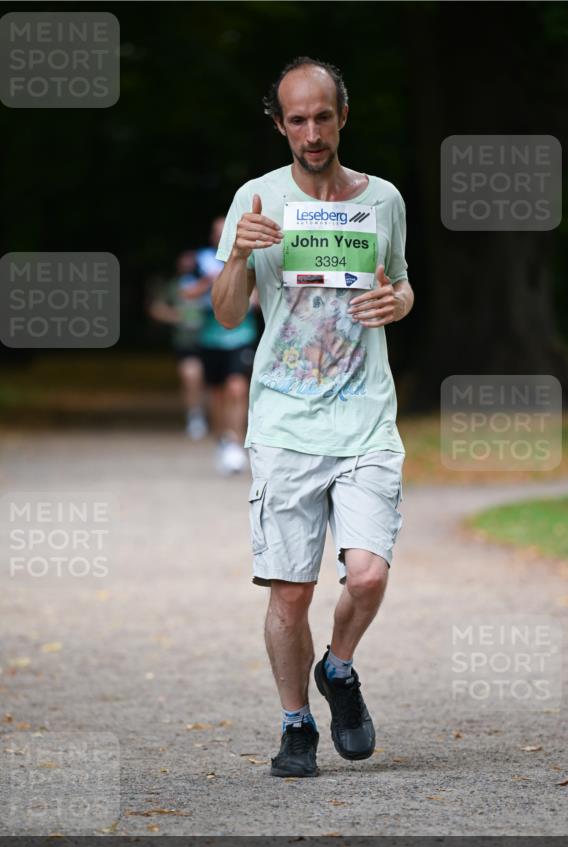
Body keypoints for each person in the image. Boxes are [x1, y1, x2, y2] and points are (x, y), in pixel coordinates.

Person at [212, 57, 414, 777]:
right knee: (290, 594)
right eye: (296, 119)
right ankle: (296, 724)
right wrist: (237, 254)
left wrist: (400, 302)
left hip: (364, 415)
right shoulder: (257, 200)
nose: (311, 131)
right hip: (285, 424)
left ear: (342, 116)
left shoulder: (382, 199)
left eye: (322, 116)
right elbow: (229, 311)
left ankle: (341, 668)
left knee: (365, 576)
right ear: (279, 125)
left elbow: (400, 284)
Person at [196, 217, 258, 475]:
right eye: (217, 232)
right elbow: (186, 294)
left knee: (236, 387)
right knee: (217, 394)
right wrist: (210, 287)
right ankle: (223, 439)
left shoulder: (252, 257)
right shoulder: (201, 261)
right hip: (211, 337)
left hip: (241, 335)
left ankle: (235, 441)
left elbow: (258, 294)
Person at [148, 249, 211, 440]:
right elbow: (156, 309)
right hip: (186, 341)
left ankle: (214, 418)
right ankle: (195, 417)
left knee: (210, 383)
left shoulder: (212, 283)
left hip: (211, 340)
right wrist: (176, 316)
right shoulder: (173, 286)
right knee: (191, 376)